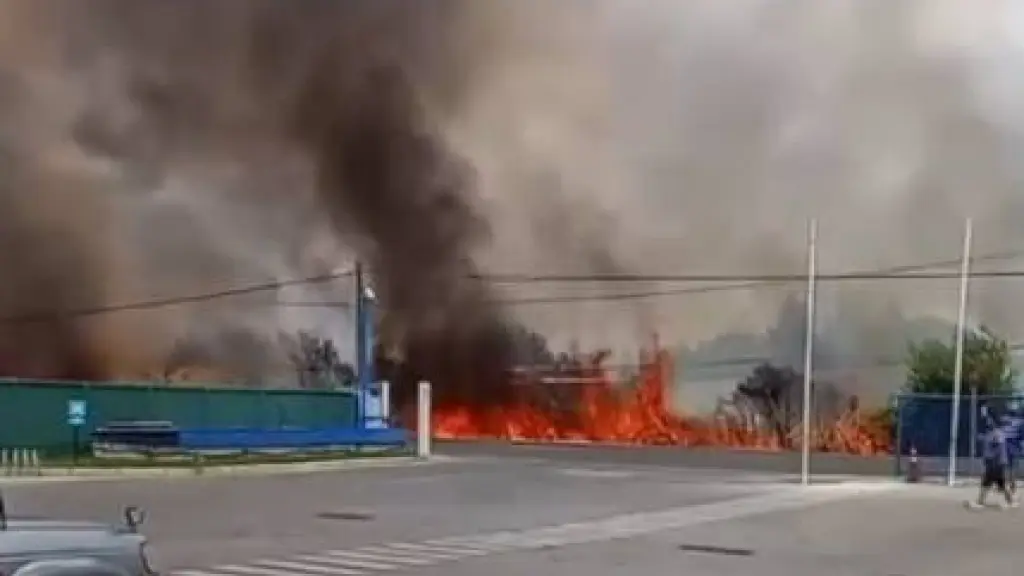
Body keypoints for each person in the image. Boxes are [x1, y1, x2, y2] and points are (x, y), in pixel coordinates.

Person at [968, 417, 1018, 510]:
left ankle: (980, 502)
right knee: (999, 483)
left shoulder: (997, 434)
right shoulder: (991, 434)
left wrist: (993, 459)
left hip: (996, 463)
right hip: (994, 463)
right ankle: (1011, 502)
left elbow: (998, 447)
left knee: (988, 482)